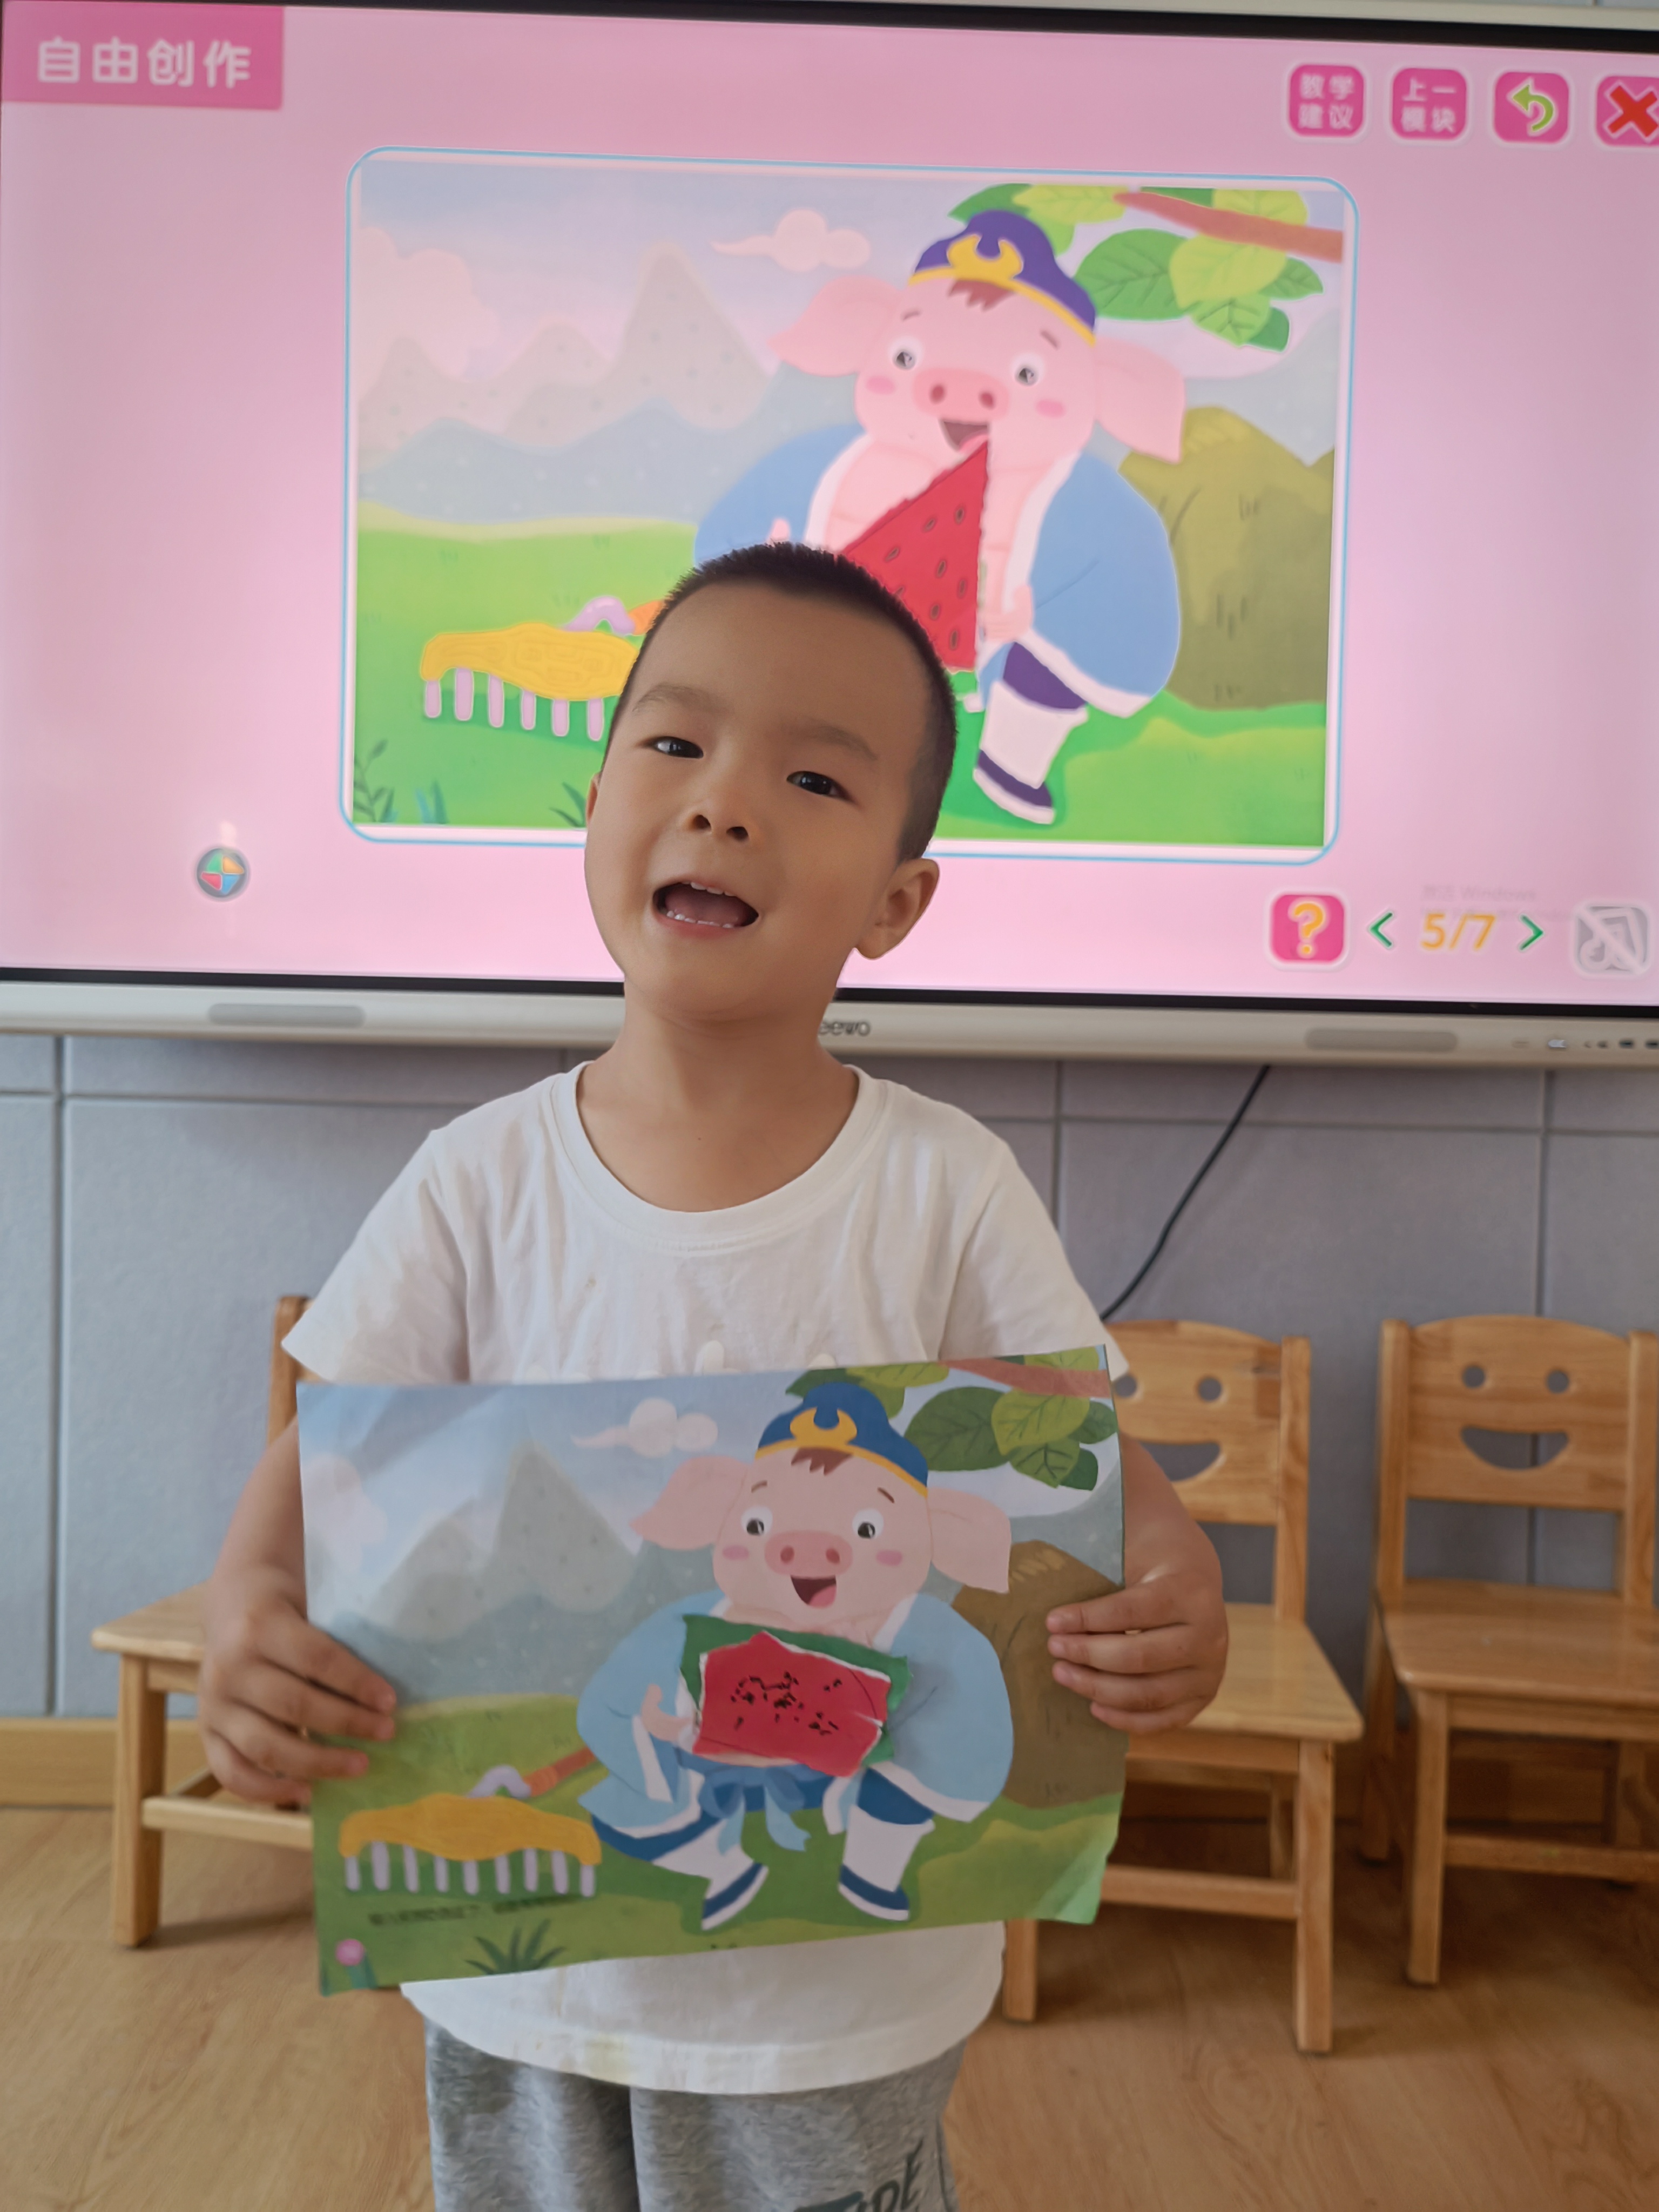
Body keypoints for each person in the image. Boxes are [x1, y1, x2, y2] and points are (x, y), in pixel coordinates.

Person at [199, 541, 1227, 2212]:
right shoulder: (476, 1180)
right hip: (525, 1987)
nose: (724, 802)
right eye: (674, 743)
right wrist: (249, 1613)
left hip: (843, 2006)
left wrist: (1175, 1586)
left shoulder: (950, 1186)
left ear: (896, 903)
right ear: (595, 801)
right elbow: (322, 1465)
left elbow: (1093, 1472)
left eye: (814, 778)